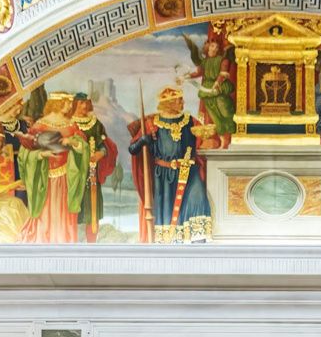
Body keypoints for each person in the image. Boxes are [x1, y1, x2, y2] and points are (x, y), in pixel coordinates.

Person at [128, 85, 212, 243]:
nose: (183, 102)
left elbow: (202, 140)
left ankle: (198, 243)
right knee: (169, 218)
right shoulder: (152, 124)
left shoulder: (190, 121)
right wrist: (142, 141)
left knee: (198, 198)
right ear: (170, 103)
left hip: (189, 173)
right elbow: (132, 149)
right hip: (164, 178)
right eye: (180, 100)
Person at [17, 92, 90, 243]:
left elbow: (84, 146)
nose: (71, 106)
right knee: (45, 210)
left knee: (63, 210)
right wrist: (42, 155)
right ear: (57, 104)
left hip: (66, 175)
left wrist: (72, 142)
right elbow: (26, 151)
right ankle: (44, 241)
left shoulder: (71, 124)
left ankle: (64, 240)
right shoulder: (40, 124)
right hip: (45, 177)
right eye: (67, 102)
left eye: (70, 103)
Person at [72, 93, 118, 242]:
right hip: (73, 174)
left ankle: (92, 243)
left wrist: (101, 152)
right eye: (80, 103)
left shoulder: (95, 123)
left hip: (92, 174)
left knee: (92, 211)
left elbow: (104, 143)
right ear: (75, 105)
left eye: (86, 103)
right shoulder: (69, 123)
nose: (84, 106)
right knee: (73, 208)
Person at [184, 36, 235, 149]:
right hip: (207, 92)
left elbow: (223, 73)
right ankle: (223, 143)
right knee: (216, 118)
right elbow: (199, 73)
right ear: (207, 47)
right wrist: (187, 76)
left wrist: (217, 83)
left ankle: (230, 140)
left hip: (220, 90)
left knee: (226, 114)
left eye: (217, 47)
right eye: (212, 46)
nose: (214, 49)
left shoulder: (223, 59)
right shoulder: (205, 62)